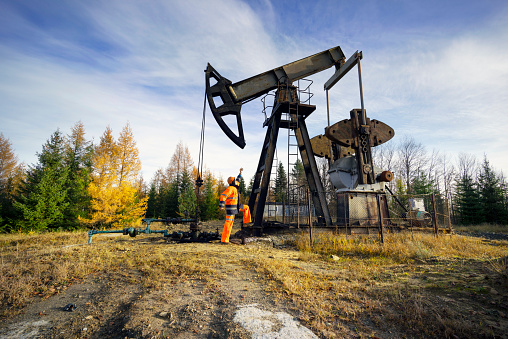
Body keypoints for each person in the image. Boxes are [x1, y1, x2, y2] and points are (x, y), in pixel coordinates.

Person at [219, 168, 251, 243]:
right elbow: (223, 196)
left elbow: (238, 180)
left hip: (236, 207)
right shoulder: (230, 188)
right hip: (231, 209)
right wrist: (221, 205)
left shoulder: (234, 187)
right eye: (234, 181)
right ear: (232, 182)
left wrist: (240, 173)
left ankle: (246, 223)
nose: (236, 182)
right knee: (228, 223)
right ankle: (224, 240)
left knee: (246, 208)